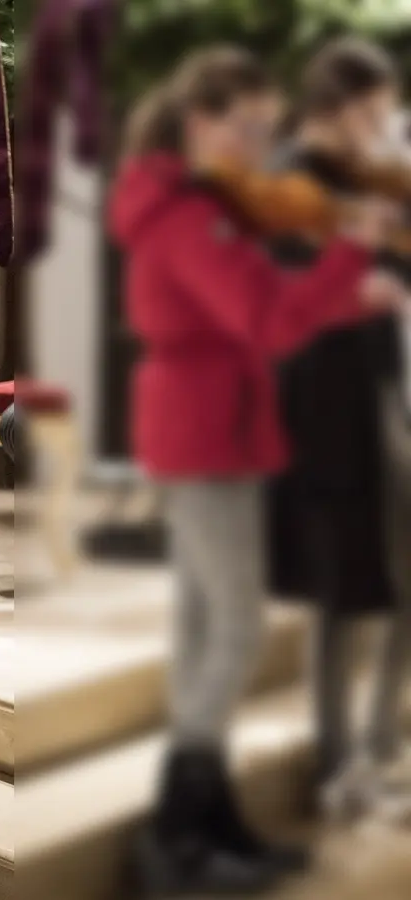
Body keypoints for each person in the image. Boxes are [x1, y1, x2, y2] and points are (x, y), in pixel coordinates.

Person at [108, 47, 400, 896]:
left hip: (213, 418)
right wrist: (350, 257)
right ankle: (177, 832)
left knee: (207, 625)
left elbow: (260, 302)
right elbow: (264, 316)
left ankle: (205, 816)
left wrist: (351, 295)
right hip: (206, 427)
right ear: (203, 123)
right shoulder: (187, 213)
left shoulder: (194, 203)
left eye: (268, 129)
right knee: (234, 628)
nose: (261, 144)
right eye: (249, 127)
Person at [260, 37, 411, 817]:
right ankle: (338, 767)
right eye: (374, 109)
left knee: (386, 590)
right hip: (317, 419)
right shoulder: (287, 186)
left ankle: (376, 757)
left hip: (377, 401)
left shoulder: (365, 182)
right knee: (338, 597)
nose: (383, 124)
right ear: (339, 110)